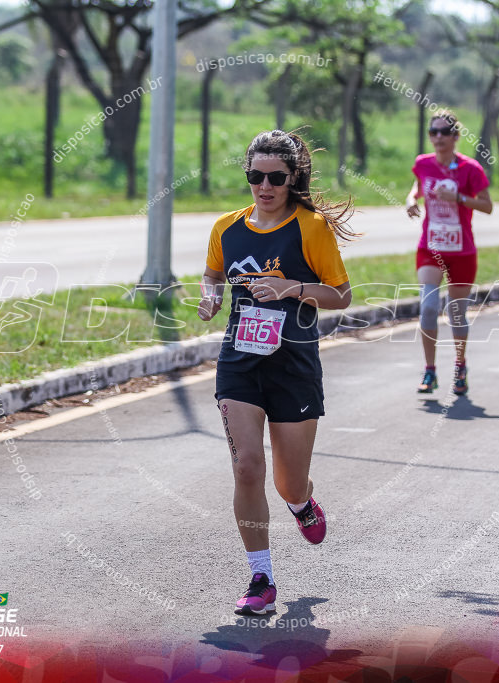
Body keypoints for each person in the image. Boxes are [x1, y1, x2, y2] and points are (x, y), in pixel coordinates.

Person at [197, 129, 354, 616]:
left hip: (294, 365)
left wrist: (290, 288)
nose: (264, 186)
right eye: (255, 176)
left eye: (275, 177)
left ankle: (302, 503)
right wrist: (211, 294)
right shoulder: (227, 227)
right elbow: (213, 272)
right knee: (247, 466)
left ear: (292, 178)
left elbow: (341, 295)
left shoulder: (310, 227)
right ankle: (260, 577)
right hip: (241, 362)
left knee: (289, 481)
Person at [404, 111, 493, 395]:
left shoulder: (471, 169)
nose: (438, 137)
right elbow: (418, 186)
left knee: (456, 313)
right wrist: (410, 199)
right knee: (428, 307)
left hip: (462, 251)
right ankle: (429, 370)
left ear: (456, 137)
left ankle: (459, 364)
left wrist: (459, 198)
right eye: (433, 132)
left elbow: (487, 206)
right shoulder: (423, 163)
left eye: (444, 132)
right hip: (430, 247)